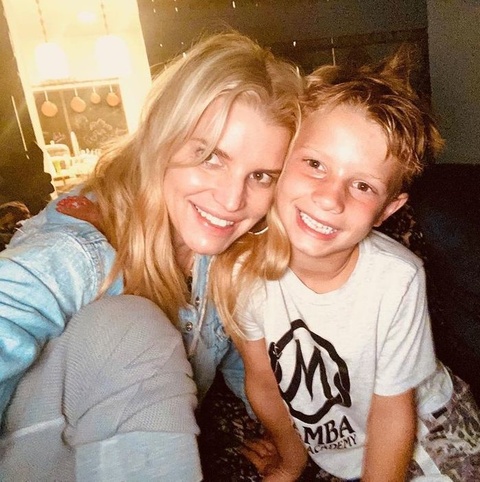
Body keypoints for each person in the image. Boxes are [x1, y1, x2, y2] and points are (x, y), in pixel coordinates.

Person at [0, 32, 302, 481]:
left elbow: (243, 361)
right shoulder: (80, 249)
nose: (232, 200)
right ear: (161, 138)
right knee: (130, 323)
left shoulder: (224, 258)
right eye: (211, 157)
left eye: (260, 175)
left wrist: (288, 437)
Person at [213, 52, 480, 481]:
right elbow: (264, 382)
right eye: (315, 165)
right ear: (282, 160)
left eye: (362, 185)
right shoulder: (241, 273)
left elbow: (393, 414)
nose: (330, 198)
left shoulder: (397, 279)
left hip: (428, 432)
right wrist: (291, 460)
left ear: (387, 210)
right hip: (337, 445)